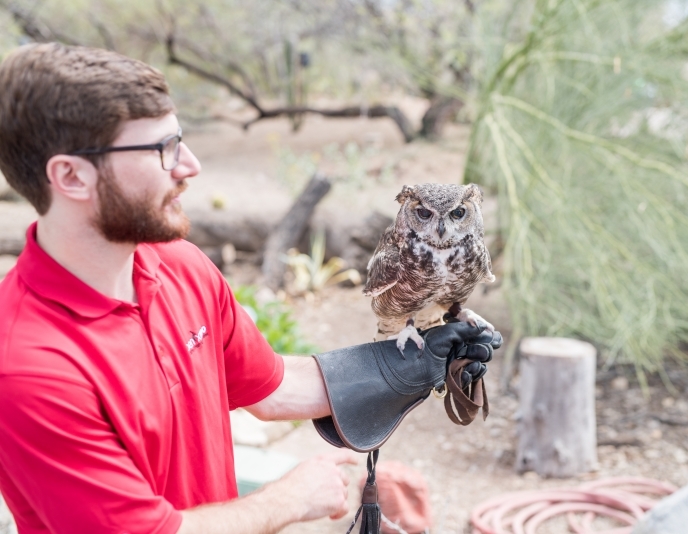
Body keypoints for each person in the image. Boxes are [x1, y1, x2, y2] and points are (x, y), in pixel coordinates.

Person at [0, 43, 498, 534]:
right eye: (162, 149)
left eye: (182, 139)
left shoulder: (180, 266)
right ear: (70, 175)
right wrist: (287, 500)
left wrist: (413, 360)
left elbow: (273, 387)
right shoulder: (28, 369)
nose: (190, 164)